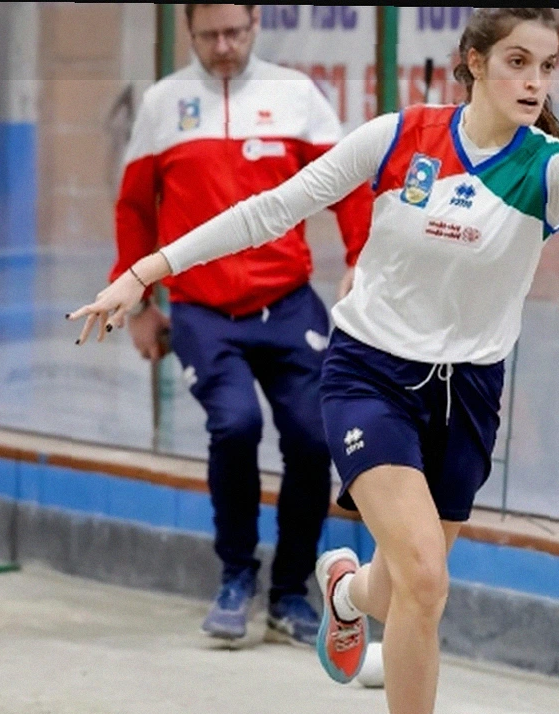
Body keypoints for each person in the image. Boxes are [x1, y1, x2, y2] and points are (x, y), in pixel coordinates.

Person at [72, 8, 559, 714]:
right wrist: (146, 271)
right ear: (472, 62)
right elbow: (272, 209)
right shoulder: (399, 138)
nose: (534, 81)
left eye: (546, 65)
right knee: (427, 580)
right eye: (516, 61)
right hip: (370, 374)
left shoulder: (545, 169)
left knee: (404, 582)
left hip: (468, 391)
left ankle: (343, 588)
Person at [108, 3, 372, 646]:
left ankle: (288, 592)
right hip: (202, 309)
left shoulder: (296, 96)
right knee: (235, 425)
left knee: (313, 439)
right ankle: (235, 577)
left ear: (255, 25)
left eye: (235, 32)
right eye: (209, 35)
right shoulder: (163, 104)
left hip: (287, 303)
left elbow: (349, 189)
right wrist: (141, 303)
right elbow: (135, 208)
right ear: (189, 32)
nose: (224, 46)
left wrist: (363, 264)